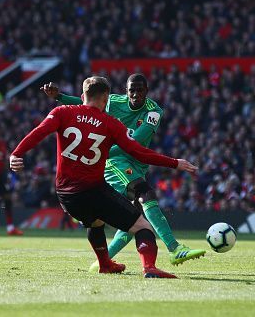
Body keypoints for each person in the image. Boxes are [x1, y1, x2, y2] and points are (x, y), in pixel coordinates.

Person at [12, 76, 198, 278]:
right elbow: (139, 151)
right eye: (131, 90)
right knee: (143, 224)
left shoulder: (61, 112)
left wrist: (16, 154)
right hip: (96, 187)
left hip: (65, 195)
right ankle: (156, 262)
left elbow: (39, 132)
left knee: (97, 222)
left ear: (83, 96)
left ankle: (105, 263)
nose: (135, 94)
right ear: (106, 98)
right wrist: (174, 163)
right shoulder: (110, 124)